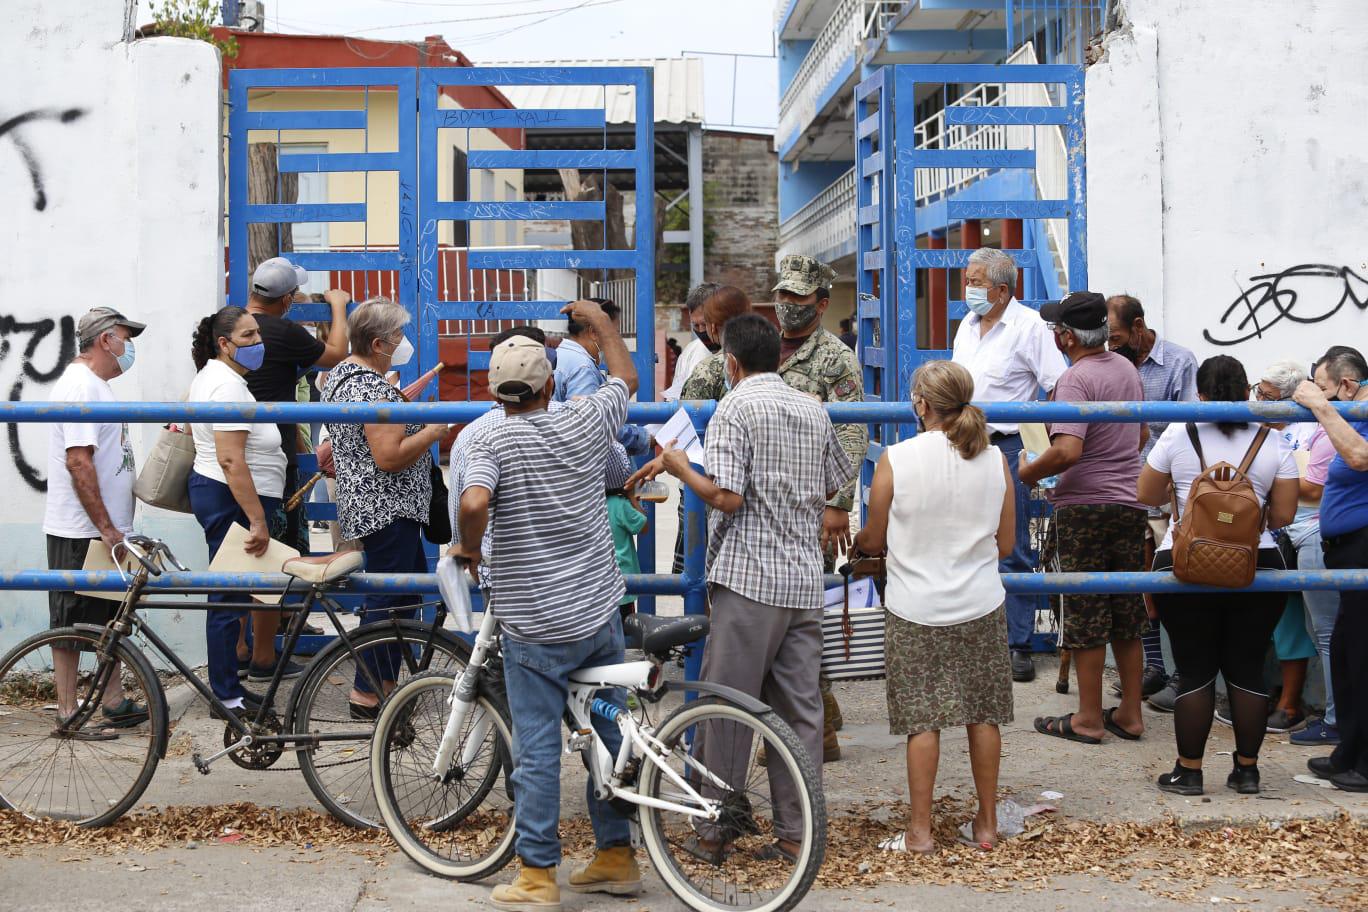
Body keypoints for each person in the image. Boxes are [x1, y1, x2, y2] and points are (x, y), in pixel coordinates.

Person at [629, 312, 854, 863]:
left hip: (749, 578)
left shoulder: (734, 406)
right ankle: (798, 833)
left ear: (730, 362)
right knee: (799, 711)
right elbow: (834, 480)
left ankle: (714, 828)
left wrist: (681, 468)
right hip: (802, 578)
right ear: (778, 355)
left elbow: (726, 496)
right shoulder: (811, 407)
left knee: (725, 706)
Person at [453, 300, 643, 908]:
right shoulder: (585, 420)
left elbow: (476, 503)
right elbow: (627, 380)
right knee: (610, 729)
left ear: (494, 388)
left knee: (536, 745)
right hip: (596, 608)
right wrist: (604, 324)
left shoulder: (488, 437)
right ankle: (616, 854)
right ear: (551, 381)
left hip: (533, 620)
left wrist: (468, 549)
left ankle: (537, 875)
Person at [854, 360, 1015, 853]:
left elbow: (874, 540)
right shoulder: (995, 459)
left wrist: (860, 541)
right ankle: (986, 825)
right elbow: (1006, 544)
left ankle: (919, 831)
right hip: (981, 602)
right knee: (982, 716)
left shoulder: (897, 460)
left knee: (923, 721)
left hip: (914, 606)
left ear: (920, 405)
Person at [1140, 355, 1298, 795]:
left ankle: (1188, 772)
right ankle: (1247, 771)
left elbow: (1146, 493)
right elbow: (1283, 515)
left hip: (1185, 564)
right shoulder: (1272, 439)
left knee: (1195, 670)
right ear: (1247, 392)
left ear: (1201, 396)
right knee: (1247, 668)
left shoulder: (1178, 432)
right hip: (1257, 565)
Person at [1019, 292, 1148, 745]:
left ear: (1068, 337)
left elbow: (1067, 450)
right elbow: (1142, 432)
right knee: (1127, 611)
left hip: (1084, 508)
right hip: (1128, 504)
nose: (1054, 335)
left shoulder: (1075, 380)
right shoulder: (1127, 370)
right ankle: (1131, 713)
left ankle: (1089, 717)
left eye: (1057, 330)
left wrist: (1027, 471)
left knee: (1087, 612)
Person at [321, 298, 450, 719]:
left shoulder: (345, 376)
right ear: (378, 343)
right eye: (397, 336)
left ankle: (385, 685)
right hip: (386, 509)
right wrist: (432, 431)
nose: (403, 342)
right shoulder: (369, 387)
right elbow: (389, 456)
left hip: (382, 507)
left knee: (402, 597)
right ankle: (369, 693)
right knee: (389, 603)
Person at [770, 255, 869, 761]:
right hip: (762, 505)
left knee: (798, 618)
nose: (787, 307)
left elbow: (852, 430)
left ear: (822, 305)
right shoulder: (761, 346)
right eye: (783, 296)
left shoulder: (835, 358)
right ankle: (816, 721)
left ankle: (811, 730)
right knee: (777, 620)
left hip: (810, 504)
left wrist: (838, 505)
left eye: (799, 300)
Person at [953, 247, 1067, 683]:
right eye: (968, 279)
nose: (969, 288)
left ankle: (1016, 643)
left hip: (1006, 447)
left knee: (1012, 545)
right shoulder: (967, 325)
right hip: (963, 444)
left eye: (976, 281)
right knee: (964, 542)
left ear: (1002, 289)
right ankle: (972, 636)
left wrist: (1053, 447)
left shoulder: (1029, 327)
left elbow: (1057, 385)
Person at [42, 307, 148, 727]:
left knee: (107, 618)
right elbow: (79, 463)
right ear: (106, 340)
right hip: (82, 528)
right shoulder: (80, 387)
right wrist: (106, 528)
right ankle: (68, 712)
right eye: (126, 337)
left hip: (105, 529)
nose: (129, 346)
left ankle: (113, 700)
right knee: (70, 624)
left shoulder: (96, 386)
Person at [188, 307, 295, 717]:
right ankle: (226, 696)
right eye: (248, 337)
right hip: (229, 498)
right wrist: (257, 519)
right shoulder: (226, 386)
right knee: (227, 597)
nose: (257, 344)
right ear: (224, 344)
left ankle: (229, 688)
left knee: (232, 596)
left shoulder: (224, 380)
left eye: (258, 335)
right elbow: (231, 459)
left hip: (227, 496)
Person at [1107, 294, 1198, 707]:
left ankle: (1185, 673)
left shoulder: (1179, 362)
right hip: (1127, 489)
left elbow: (1189, 426)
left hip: (1167, 491)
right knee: (1139, 581)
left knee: (1173, 579)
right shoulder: (1113, 365)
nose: (1112, 345)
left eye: (1118, 336)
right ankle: (1153, 666)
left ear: (1139, 327)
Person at [1292, 347, 1368, 791]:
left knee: (1361, 655)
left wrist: (1321, 408)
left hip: (1362, 548)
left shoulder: (1357, 409)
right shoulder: (1353, 410)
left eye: (1322, 387)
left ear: (1346, 385)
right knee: (1344, 652)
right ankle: (1349, 751)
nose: (1317, 397)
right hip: (1346, 549)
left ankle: (1365, 761)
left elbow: (1360, 457)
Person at [244, 257, 350, 554]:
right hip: (273, 455)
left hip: (228, 449)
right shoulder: (284, 331)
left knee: (238, 553)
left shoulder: (229, 324)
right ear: (288, 299)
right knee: (281, 550)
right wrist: (338, 306)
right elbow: (336, 354)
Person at [1255, 359, 1320, 733]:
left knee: (1295, 620)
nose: (1260, 402)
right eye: (1258, 393)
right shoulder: (1256, 427)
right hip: (1266, 534)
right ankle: (1261, 695)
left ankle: (1290, 703)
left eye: (1268, 396)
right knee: (1264, 617)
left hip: (1303, 532)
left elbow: (1311, 487)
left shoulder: (1307, 429)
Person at [553, 296, 650, 455]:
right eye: (613, 333)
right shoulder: (582, 367)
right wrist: (644, 438)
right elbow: (592, 424)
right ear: (594, 332)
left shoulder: (561, 354)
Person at [605, 442, 647, 621]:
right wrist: (633, 499)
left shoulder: (590, 503)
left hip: (600, 585)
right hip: (623, 583)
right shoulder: (621, 505)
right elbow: (643, 526)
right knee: (626, 629)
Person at [662, 282, 720, 401]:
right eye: (695, 325)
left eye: (705, 324)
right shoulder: (690, 352)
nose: (701, 330)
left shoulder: (738, 351)